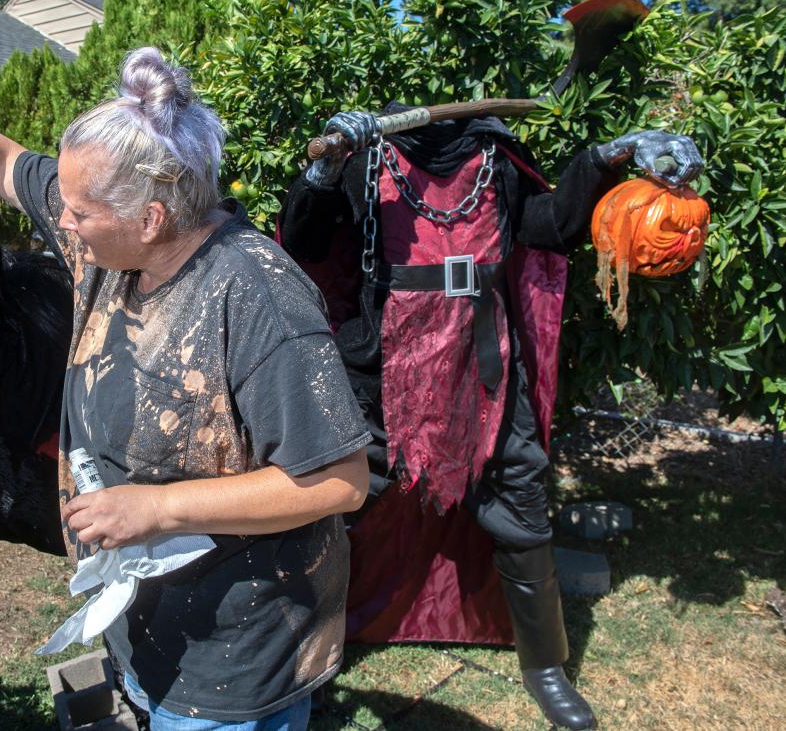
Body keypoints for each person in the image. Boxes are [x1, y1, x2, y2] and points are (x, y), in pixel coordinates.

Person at [0, 47, 373, 729]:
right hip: (152, 624)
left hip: (238, 651)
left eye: (77, 212)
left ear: (152, 217)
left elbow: (340, 480)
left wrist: (157, 511)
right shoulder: (112, 243)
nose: (60, 224)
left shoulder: (256, 298)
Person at [280, 107, 702, 731]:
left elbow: (551, 226)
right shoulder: (367, 162)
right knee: (330, 512)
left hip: (487, 369)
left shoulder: (497, 162)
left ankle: (545, 666)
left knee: (522, 501)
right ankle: (307, 668)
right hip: (381, 374)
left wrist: (611, 154)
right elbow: (308, 244)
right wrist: (323, 168)